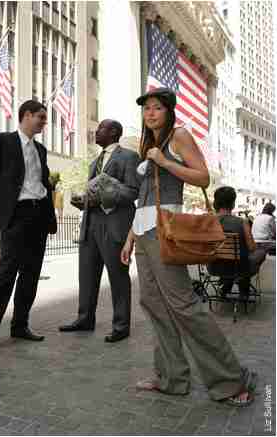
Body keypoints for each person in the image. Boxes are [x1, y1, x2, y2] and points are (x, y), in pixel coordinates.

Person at [120, 87, 256, 407]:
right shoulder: (148, 143)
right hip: (143, 231)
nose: (150, 113)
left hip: (164, 230)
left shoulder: (177, 136)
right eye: (146, 108)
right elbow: (143, 198)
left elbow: (203, 178)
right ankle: (171, 378)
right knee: (153, 304)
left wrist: (165, 161)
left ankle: (229, 380)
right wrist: (129, 238)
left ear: (169, 111)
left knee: (183, 305)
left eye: (157, 108)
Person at [0, 100, 57, 355]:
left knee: (31, 273)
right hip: (16, 215)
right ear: (26, 115)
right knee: (6, 273)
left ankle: (20, 325)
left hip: (39, 215)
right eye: (40, 117)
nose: (44, 122)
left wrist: (50, 214)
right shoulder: (2, 142)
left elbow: (44, 182)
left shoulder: (41, 149)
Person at [58, 119, 139, 342]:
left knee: (118, 277)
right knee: (86, 275)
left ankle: (121, 325)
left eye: (101, 128)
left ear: (114, 132)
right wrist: (83, 200)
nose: (96, 132)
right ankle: (85, 319)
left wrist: (106, 193)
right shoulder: (95, 161)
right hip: (90, 224)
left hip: (114, 225)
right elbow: (94, 190)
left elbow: (133, 191)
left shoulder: (129, 157)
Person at [209, 186, 266, 299]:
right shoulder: (242, 222)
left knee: (235, 260)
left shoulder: (208, 222)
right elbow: (251, 248)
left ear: (216, 202)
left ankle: (226, 284)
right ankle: (243, 289)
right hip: (239, 268)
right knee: (260, 253)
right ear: (233, 203)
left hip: (213, 267)